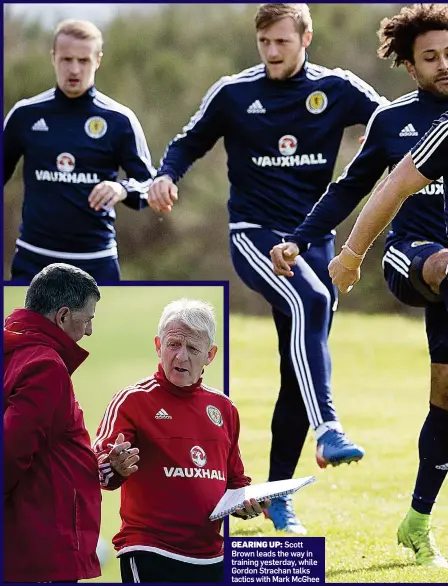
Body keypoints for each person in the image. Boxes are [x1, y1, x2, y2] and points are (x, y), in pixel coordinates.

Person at [148, 3, 386, 534]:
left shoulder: (337, 88)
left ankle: (278, 497)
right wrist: (166, 176)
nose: (273, 53)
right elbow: (188, 141)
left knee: (296, 368)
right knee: (314, 301)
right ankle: (328, 427)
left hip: (313, 242)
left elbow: (391, 123)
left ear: (306, 37)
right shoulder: (234, 92)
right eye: (265, 44)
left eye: (282, 42)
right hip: (254, 235)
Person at [270, 4, 448, 567]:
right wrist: (320, 245)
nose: (444, 64)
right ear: (409, 64)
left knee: (445, 400)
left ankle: (416, 522)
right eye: (431, 57)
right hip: (409, 260)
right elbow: (358, 190)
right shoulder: (394, 122)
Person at [327, 111, 448, 569]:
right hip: (421, 258)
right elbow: (392, 187)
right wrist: (352, 255)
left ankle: (416, 522)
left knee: (445, 397)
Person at [93, 299, 266, 583]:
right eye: (173, 345)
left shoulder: (224, 408)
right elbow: (99, 468)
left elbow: (235, 481)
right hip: (149, 550)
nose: (181, 357)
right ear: (158, 346)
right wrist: (114, 467)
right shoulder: (132, 400)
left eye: (193, 348)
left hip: (211, 556)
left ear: (210, 355)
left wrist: (246, 504)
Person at [4, 19, 155, 282]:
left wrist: (121, 189)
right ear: (53, 58)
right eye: (66, 59)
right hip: (34, 260)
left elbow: (149, 184)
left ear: (98, 60)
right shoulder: (25, 115)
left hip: (96, 262)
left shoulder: (120, 120)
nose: (74, 69)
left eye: (83, 60)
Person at [4, 263, 102, 582]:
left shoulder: (15, 349)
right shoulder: (45, 366)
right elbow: (10, 452)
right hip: (40, 551)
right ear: (62, 317)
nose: (88, 331)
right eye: (87, 320)